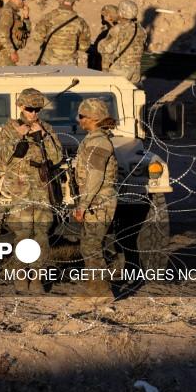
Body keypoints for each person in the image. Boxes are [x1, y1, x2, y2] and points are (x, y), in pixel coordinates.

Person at [0, 88, 64, 292]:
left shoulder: (46, 129)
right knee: (23, 235)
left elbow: (58, 156)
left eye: (37, 109)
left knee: (41, 235)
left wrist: (44, 137)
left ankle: (37, 278)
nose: (33, 113)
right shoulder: (9, 129)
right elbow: (3, 157)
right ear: (20, 107)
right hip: (21, 189)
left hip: (42, 190)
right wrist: (19, 137)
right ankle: (20, 277)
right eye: (29, 109)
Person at [73, 98, 118, 302]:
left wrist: (84, 204)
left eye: (82, 116)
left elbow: (95, 175)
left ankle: (102, 292)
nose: (79, 120)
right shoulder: (93, 138)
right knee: (88, 245)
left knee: (92, 246)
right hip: (95, 200)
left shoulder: (99, 142)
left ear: (93, 118)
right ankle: (93, 288)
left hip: (98, 202)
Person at [29, 0, 90, 67]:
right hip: (70, 65)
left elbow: (37, 38)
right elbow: (84, 46)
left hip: (49, 63)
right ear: (74, 1)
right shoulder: (80, 22)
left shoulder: (48, 17)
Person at [100, 0, 146, 84]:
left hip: (120, 70)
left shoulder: (118, 29)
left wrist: (100, 43)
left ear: (121, 13)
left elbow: (105, 49)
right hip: (136, 70)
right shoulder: (141, 30)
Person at [0, 0, 31, 66]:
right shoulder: (7, 12)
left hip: (7, 52)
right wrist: (12, 52)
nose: (24, 1)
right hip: (4, 53)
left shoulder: (13, 12)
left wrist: (26, 17)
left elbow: (26, 33)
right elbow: (2, 34)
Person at [91, 4, 119, 69]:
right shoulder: (123, 29)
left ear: (109, 17)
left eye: (103, 16)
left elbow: (99, 49)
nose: (102, 19)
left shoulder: (110, 32)